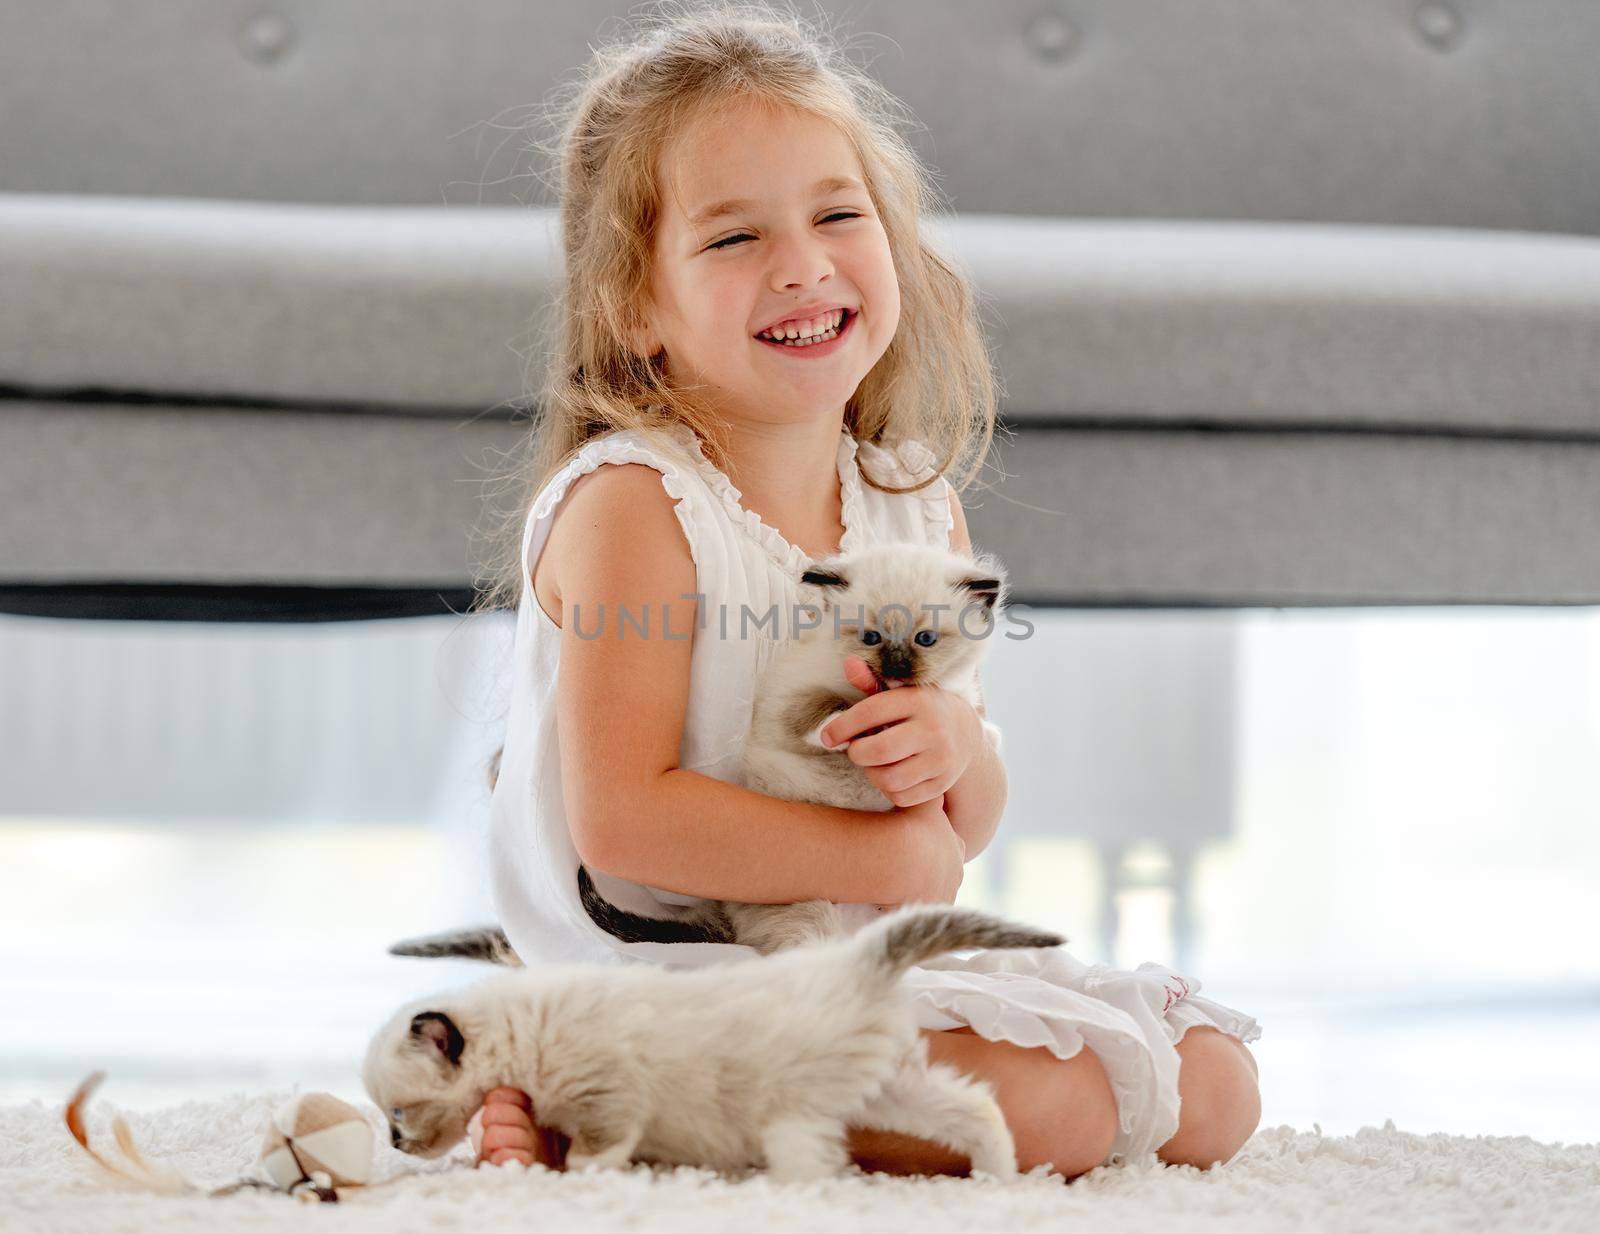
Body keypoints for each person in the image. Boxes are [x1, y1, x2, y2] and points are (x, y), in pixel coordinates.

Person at [463, 1, 1261, 1181]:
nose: (802, 263)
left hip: (848, 954)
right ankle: (607, 1089)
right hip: (665, 968)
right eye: (733, 239)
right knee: (1046, 1112)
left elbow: (956, 829)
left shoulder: (912, 507)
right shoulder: (634, 504)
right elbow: (624, 821)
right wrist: (880, 864)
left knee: (1212, 1084)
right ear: (636, 309)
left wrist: (950, 753)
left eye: (838, 214)